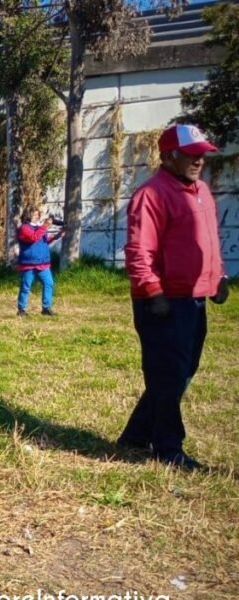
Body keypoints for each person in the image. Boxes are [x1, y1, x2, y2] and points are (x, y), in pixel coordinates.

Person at [117, 123, 229, 470]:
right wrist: (153, 292)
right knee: (168, 374)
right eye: (191, 155)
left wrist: (218, 276)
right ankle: (168, 448)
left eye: (202, 155)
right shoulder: (151, 195)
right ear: (169, 156)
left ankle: (136, 434)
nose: (199, 161)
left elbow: (208, 240)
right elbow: (138, 250)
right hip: (164, 301)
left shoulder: (202, 192)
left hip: (195, 297)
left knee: (182, 370)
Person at [16, 208, 64, 316]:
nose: (37, 216)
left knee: (49, 283)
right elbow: (33, 237)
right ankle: (21, 310)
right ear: (28, 215)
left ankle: (46, 308)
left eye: (38, 214)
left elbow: (44, 240)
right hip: (29, 264)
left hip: (43, 263)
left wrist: (57, 236)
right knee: (26, 286)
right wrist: (45, 225)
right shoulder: (24, 228)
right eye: (35, 214)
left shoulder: (39, 228)